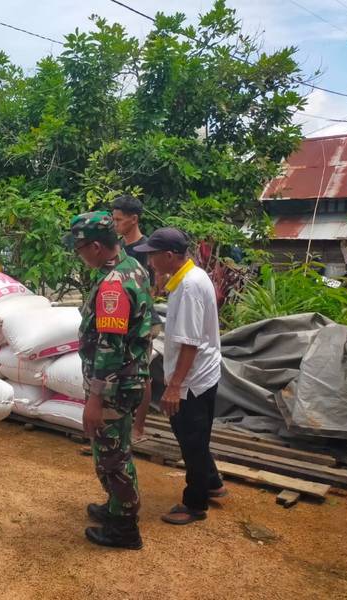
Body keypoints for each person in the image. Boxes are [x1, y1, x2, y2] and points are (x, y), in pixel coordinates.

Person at [63, 211, 153, 550]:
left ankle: (124, 529)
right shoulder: (133, 268)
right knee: (116, 449)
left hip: (114, 386)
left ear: (97, 247)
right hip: (128, 380)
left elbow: (109, 348)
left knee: (113, 457)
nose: (79, 254)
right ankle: (116, 507)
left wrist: (95, 399)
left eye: (80, 248)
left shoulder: (114, 284)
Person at [134, 227, 227, 525]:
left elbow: (190, 343)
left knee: (191, 441)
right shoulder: (190, 277)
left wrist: (174, 387)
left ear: (170, 256)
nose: (150, 262)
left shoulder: (188, 287)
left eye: (153, 256)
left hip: (192, 380)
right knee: (197, 436)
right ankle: (213, 484)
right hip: (203, 373)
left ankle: (195, 503)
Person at [111, 195, 162, 441]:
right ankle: (119, 423)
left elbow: (153, 288)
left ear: (134, 219)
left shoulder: (147, 250)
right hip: (118, 318)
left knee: (142, 373)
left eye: (119, 219)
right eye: (114, 218)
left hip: (141, 319)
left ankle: (138, 428)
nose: (115, 223)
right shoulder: (117, 248)